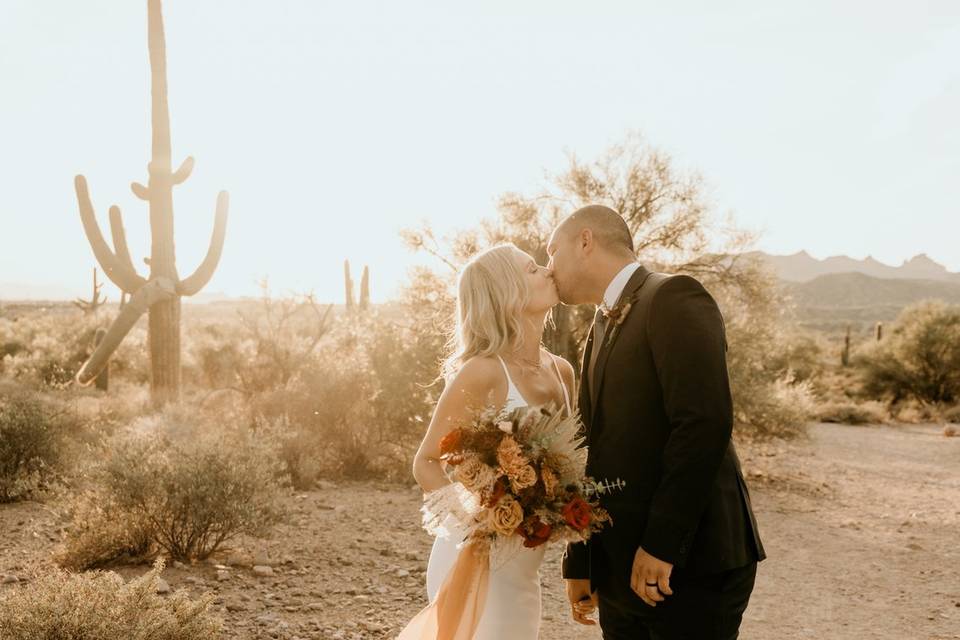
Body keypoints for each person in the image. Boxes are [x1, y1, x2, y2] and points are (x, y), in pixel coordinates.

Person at [547, 205, 766, 640]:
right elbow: (589, 448)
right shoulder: (598, 327)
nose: (549, 267)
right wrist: (582, 559)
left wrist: (662, 545)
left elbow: (703, 424)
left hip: (690, 566)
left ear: (585, 241)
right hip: (621, 570)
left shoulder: (674, 296)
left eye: (552, 252)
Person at [410, 243, 576, 639]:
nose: (547, 271)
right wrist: (478, 520)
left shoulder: (563, 371)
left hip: (527, 564)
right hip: (478, 556)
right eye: (532, 269)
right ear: (508, 293)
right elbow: (426, 461)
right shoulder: (482, 372)